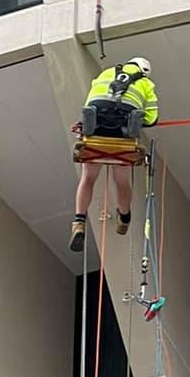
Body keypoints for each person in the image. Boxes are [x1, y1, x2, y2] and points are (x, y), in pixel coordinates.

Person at [70, 56, 159, 253]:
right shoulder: (146, 83)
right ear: (145, 71)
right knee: (122, 182)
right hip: (121, 138)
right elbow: (152, 119)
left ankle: (78, 222)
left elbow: (90, 101)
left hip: (95, 133)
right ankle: (124, 218)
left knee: (88, 178)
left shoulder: (105, 73)